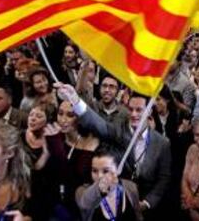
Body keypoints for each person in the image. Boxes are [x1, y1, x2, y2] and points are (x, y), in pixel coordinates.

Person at [55, 83, 171, 221]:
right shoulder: (119, 131)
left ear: (149, 111)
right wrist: (75, 99)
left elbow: (163, 179)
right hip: (116, 198)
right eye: (130, 109)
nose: (134, 114)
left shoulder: (163, 143)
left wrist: (147, 203)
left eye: (139, 110)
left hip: (147, 208)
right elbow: (97, 123)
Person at [76, 145, 143, 221]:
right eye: (94, 171)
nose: (99, 176)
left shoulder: (130, 187)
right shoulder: (81, 191)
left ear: (118, 169)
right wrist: (98, 188)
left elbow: (139, 216)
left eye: (105, 171)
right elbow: (84, 202)